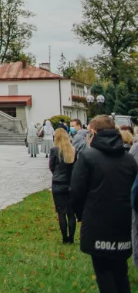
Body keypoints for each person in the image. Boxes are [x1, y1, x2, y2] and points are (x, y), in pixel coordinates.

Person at [71, 115, 138, 293]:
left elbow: (76, 192)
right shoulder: (129, 158)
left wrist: (81, 215)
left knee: (104, 274)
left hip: (97, 225)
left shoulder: (87, 157)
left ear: (93, 132)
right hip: (123, 224)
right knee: (120, 273)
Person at [49, 127, 77, 244]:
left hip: (58, 183)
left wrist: (57, 174)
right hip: (70, 183)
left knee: (61, 212)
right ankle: (71, 238)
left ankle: (64, 238)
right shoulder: (73, 150)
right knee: (71, 213)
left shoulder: (55, 150)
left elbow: (51, 166)